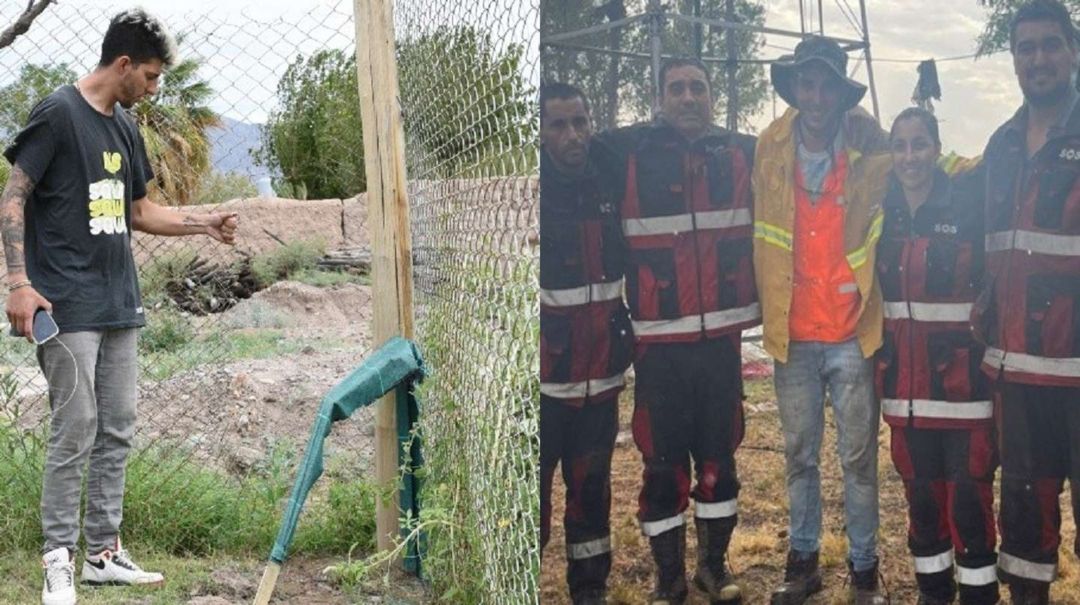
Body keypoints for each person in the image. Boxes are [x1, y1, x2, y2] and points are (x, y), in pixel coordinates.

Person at [0, 10, 239, 605]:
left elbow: (140, 212)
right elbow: (12, 199)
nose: (155, 88)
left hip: (118, 304)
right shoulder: (58, 113)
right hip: (65, 304)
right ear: (124, 64)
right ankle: (59, 559)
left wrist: (202, 222)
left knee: (117, 430)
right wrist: (16, 282)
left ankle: (104, 554)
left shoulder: (126, 128)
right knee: (75, 428)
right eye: (152, 77)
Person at [603, 57, 758, 605]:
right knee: (661, 467)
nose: (689, 97)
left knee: (720, 462)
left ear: (712, 96)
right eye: (677, 89)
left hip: (720, 345)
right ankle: (667, 577)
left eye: (698, 88)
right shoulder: (628, 153)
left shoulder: (743, 153)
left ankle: (713, 567)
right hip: (658, 350)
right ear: (659, 97)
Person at [751, 36, 891, 604]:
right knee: (799, 457)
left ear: (839, 91)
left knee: (859, 461)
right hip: (794, 337)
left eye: (826, 83)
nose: (815, 95)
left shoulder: (868, 143)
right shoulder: (768, 147)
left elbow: (924, 156)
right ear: (794, 88)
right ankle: (803, 562)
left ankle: (864, 571)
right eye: (806, 82)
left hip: (853, 336)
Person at [972, 1, 1080, 602]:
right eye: (1025, 48)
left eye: (1049, 45)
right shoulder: (1002, 146)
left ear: (1072, 50)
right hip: (1018, 376)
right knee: (1024, 525)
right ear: (1013, 59)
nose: (1037, 58)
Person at [877, 108, 998, 605]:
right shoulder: (878, 211)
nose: (910, 156)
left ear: (937, 147)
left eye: (920, 144)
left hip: (962, 393)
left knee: (969, 503)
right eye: (901, 145)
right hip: (904, 395)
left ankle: (978, 597)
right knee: (922, 504)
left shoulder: (968, 205)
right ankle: (932, 594)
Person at [539, 82, 632, 605]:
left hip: (602, 377)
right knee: (531, 500)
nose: (572, 135)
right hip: (544, 382)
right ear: (541, 133)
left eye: (580, 122)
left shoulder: (609, 173)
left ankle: (590, 591)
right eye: (558, 124)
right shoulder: (533, 194)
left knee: (592, 493)